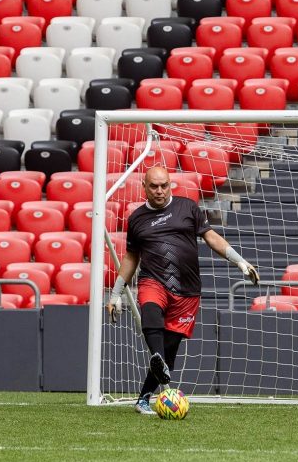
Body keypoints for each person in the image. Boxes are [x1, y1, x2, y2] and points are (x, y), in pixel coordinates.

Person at [107, 166, 259, 414]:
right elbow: (132, 256)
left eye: (164, 185)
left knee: (170, 352)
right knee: (150, 308)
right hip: (153, 280)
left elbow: (211, 237)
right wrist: (115, 293)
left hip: (187, 291)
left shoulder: (187, 208)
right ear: (144, 187)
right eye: (154, 186)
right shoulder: (136, 219)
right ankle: (156, 357)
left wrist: (239, 261)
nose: (159, 190)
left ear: (170, 185)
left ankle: (144, 397)